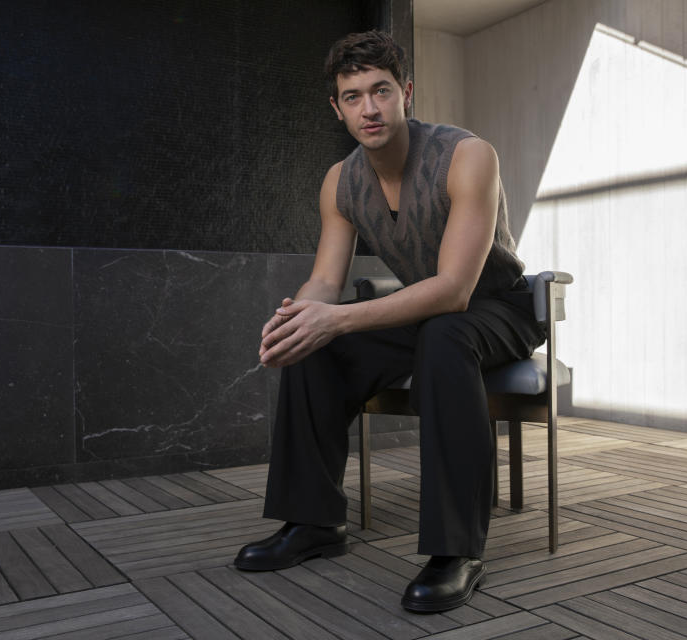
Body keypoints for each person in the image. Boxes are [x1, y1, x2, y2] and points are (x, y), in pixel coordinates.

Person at [233, 30, 545, 612]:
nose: (369, 109)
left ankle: (458, 551)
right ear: (337, 107)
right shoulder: (339, 181)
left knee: (444, 333)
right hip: (423, 313)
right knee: (315, 343)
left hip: (497, 308)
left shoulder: (467, 155)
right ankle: (314, 522)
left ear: (405, 92)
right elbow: (326, 280)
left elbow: (454, 291)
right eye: (353, 97)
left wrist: (339, 319)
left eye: (380, 91)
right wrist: (299, 318)